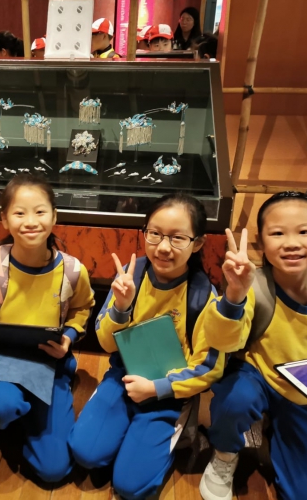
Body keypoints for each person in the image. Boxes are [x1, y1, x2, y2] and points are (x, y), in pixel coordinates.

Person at [199, 192, 307, 500]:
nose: (291, 243)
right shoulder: (253, 285)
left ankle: (279, 428)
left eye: (304, 231)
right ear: (262, 242)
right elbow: (223, 342)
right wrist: (234, 295)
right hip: (258, 375)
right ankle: (225, 454)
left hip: (306, 393)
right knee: (235, 400)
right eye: (277, 233)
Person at [68, 194, 224, 500]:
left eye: (177, 237)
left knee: (131, 486)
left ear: (197, 244)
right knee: (84, 453)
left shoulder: (203, 295)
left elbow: (210, 367)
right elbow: (105, 342)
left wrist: (156, 389)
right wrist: (121, 307)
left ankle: (178, 431)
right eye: (155, 233)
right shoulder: (132, 274)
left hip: (169, 394)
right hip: (124, 378)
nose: (163, 247)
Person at [0, 174, 94, 482]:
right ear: (4, 219)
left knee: (54, 470)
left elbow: (83, 308)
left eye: (40, 212)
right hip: (0, 365)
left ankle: (23, 413)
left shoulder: (72, 270)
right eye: (19, 213)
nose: (30, 221)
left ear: (54, 216)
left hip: (48, 365)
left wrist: (69, 337)